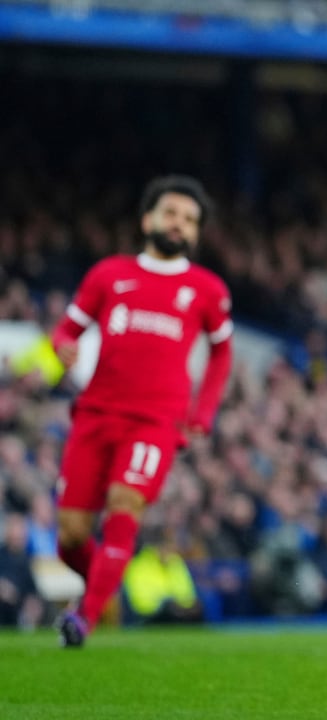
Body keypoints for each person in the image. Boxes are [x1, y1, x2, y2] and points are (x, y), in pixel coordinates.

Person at [52, 174, 233, 647]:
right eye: (171, 213)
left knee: (124, 503)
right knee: (70, 536)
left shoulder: (207, 290)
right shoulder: (108, 275)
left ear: (196, 233)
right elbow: (66, 330)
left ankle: (83, 619)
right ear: (147, 218)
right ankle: (102, 595)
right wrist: (64, 347)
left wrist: (203, 413)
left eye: (190, 220)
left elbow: (222, 353)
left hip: (155, 421)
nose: (179, 225)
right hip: (95, 413)